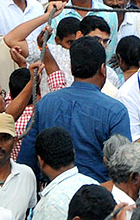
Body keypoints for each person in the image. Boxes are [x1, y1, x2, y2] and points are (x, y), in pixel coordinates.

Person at [16, 36, 130, 181]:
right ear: (103, 69)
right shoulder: (115, 111)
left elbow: (27, 161)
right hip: (98, 196)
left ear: (71, 68)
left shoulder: (46, 104)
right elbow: (123, 168)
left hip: (52, 193)